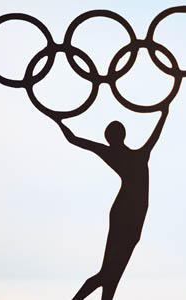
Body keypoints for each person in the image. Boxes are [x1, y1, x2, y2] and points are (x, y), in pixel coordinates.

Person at [58, 108, 169, 300]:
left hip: (132, 215)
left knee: (113, 274)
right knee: (109, 272)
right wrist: (163, 114)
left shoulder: (128, 154)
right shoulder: (137, 155)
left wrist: (59, 121)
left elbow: (75, 139)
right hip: (126, 213)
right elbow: (76, 140)